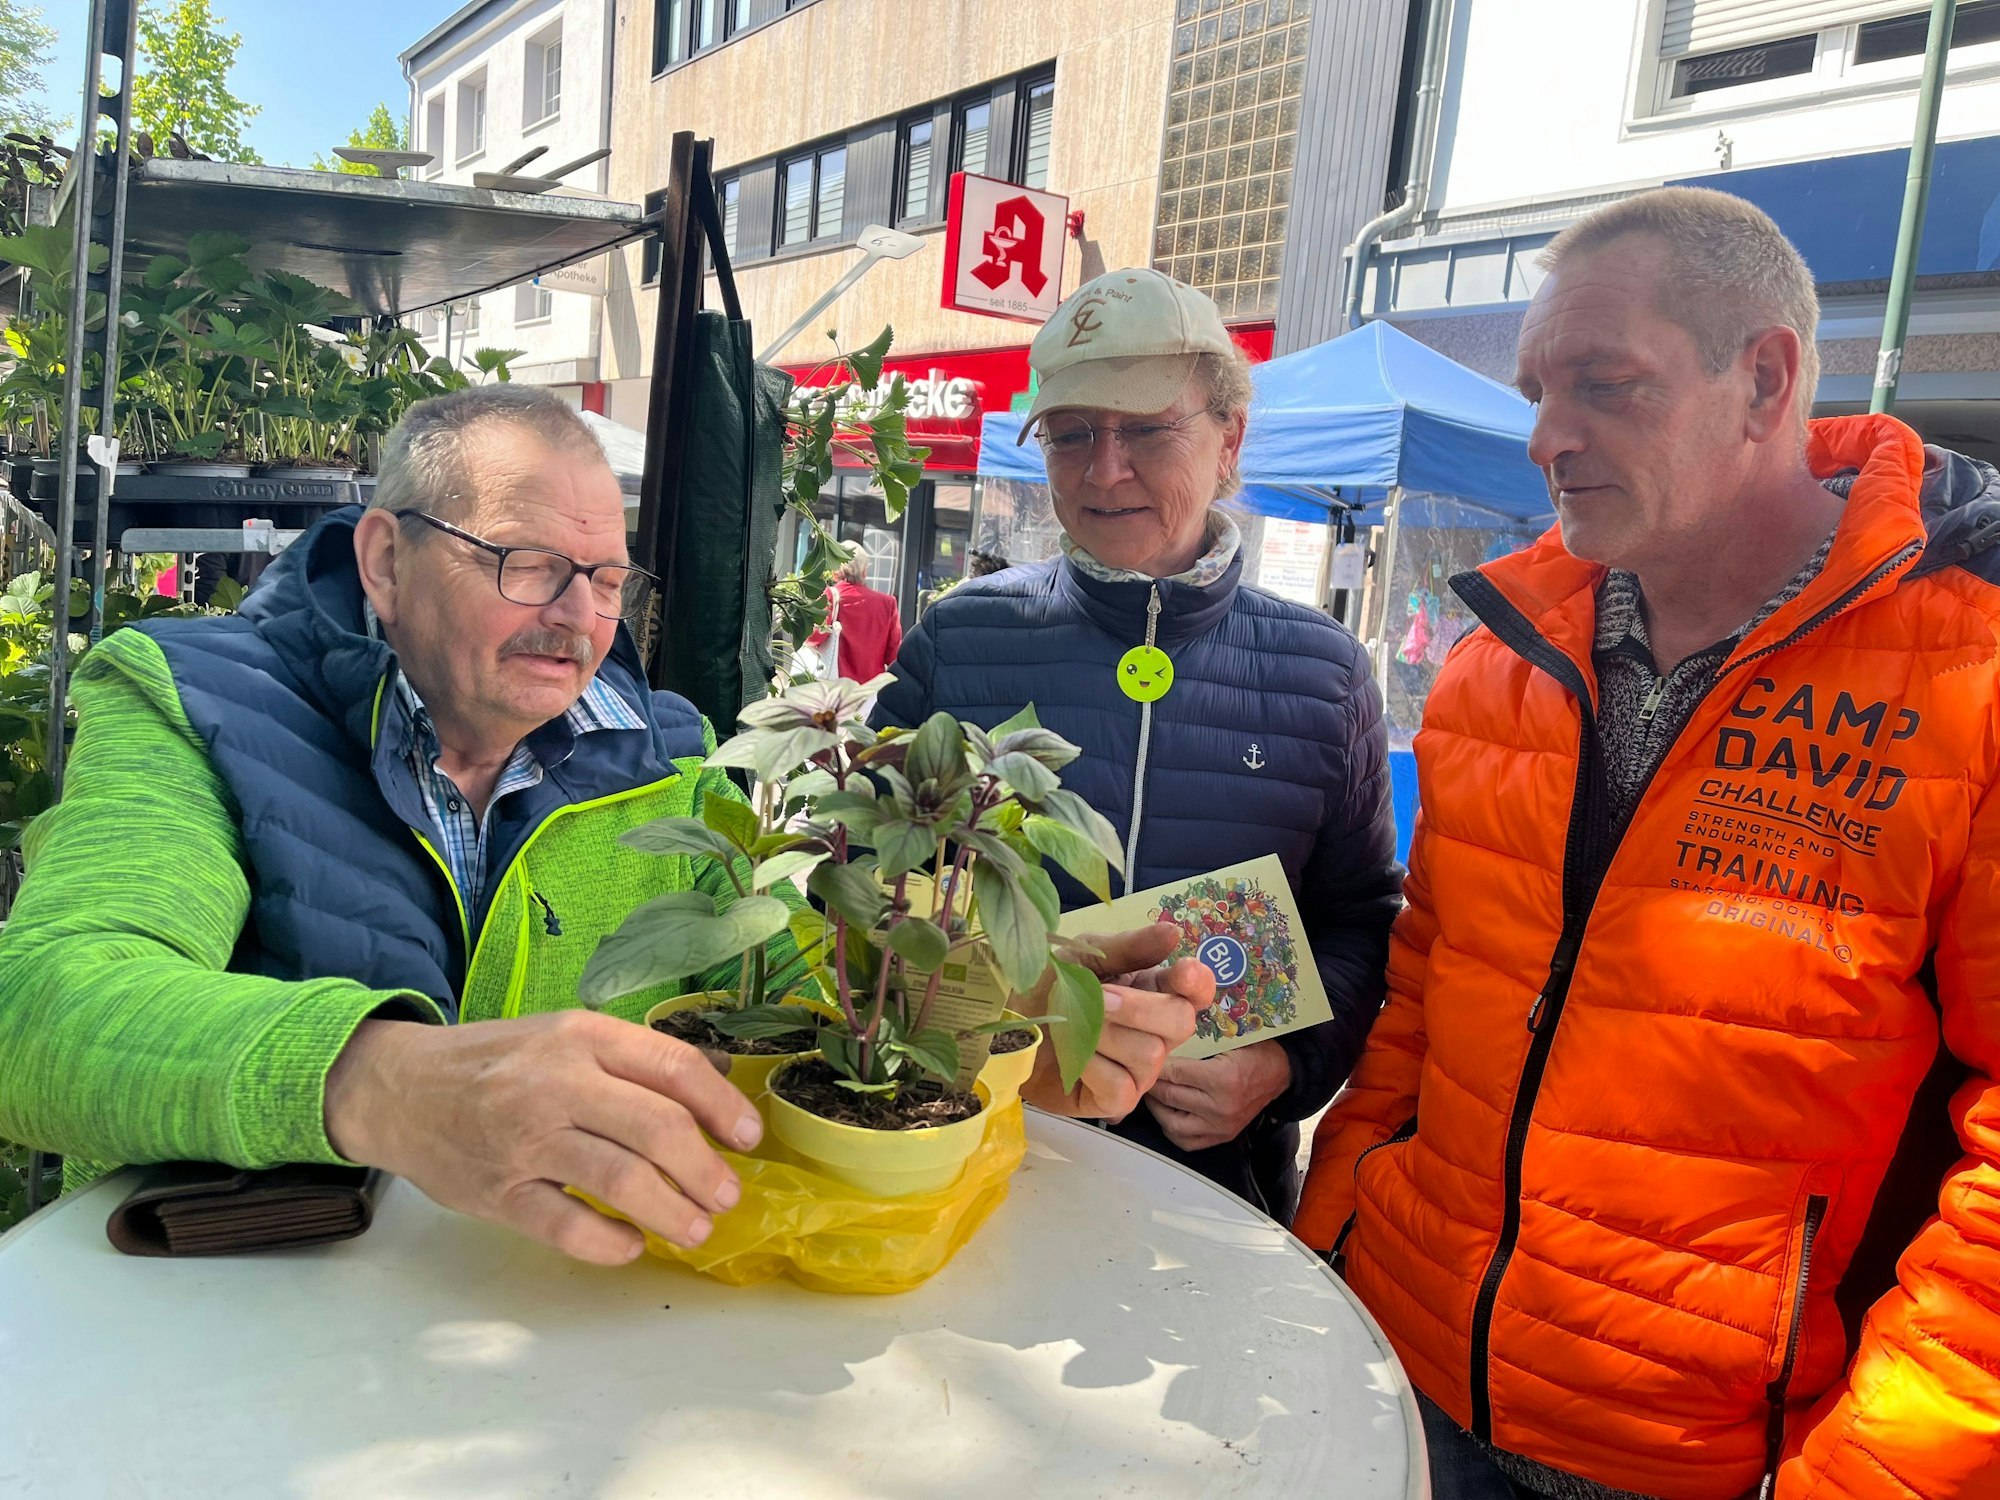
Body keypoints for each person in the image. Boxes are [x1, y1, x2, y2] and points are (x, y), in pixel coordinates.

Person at [0, 385, 1211, 1263]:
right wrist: (386, 1083)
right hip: (234, 1340)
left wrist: (993, 1023)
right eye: (527, 564)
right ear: (383, 559)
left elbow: (800, 978)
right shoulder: (191, 698)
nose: (577, 620)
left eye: (603, 578)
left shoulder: (668, 752)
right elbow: (45, 1009)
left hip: (575, 1339)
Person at [1295, 187, 2000, 1499]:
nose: (1547, 439)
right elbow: (1424, 998)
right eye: (1539, 391)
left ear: (1765, 380)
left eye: (1607, 387)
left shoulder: (1968, 672)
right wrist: (1329, 1232)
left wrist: (1874, 1479)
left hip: (1707, 1461)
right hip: (1398, 1370)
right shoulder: (1493, 668)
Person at [876, 268, 1401, 1220]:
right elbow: (871, 880)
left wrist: (1281, 1069)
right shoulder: (960, 640)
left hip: (1210, 1188)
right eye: (1072, 433)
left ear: (1229, 439)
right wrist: (992, 1019)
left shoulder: (1324, 675)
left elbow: (1360, 919)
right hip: (963, 1146)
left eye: (1148, 430)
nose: (1103, 468)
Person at [808, 551, 903, 682]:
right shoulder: (888, 604)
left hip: (835, 685)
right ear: (864, 571)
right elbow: (893, 655)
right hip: (870, 689)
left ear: (836, 571)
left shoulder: (830, 596)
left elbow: (814, 636)